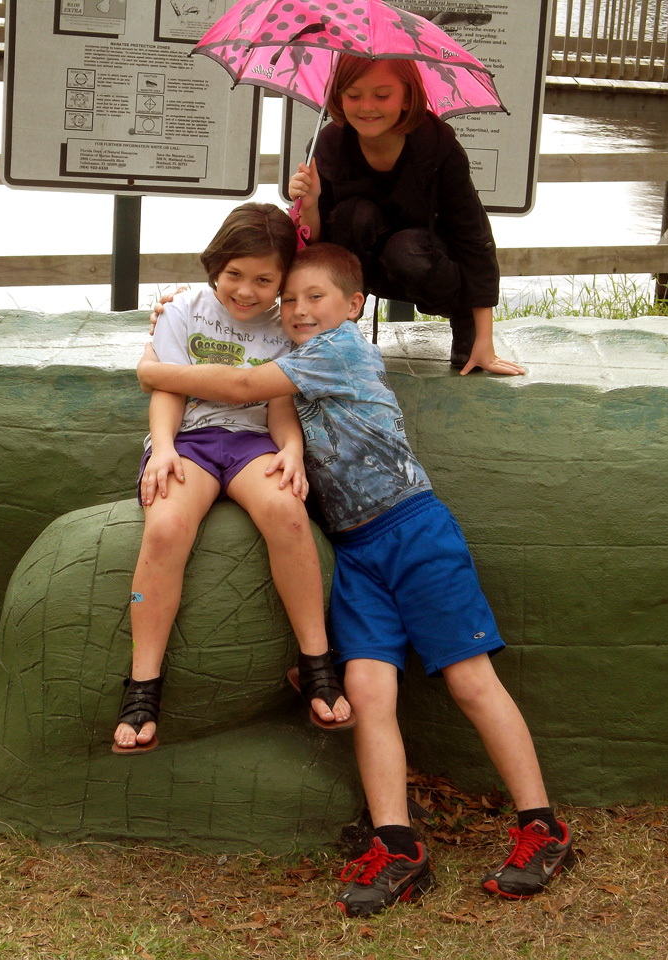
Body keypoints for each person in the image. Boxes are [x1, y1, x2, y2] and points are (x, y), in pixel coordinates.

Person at [135, 243, 569, 915]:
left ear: (353, 306)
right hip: (356, 550)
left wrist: (154, 367)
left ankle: (542, 826)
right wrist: (174, 313)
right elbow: (233, 326)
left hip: (413, 530)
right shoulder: (287, 345)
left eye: (316, 298)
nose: (300, 310)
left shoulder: (340, 350)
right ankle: (398, 845)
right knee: (367, 689)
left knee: (469, 678)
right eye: (292, 300)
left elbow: (247, 386)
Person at [112, 203, 353, 755]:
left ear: (282, 280)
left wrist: (292, 450)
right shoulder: (183, 312)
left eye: (265, 280)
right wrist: (164, 450)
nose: (247, 291)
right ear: (215, 267)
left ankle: (316, 663)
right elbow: (167, 390)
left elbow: (280, 403)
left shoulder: (287, 326)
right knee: (167, 525)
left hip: (253, 443)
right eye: (235, 275)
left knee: (287, 512)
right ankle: (143, 685)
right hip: (191, 442)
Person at [288, 53, 525, 377]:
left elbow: (473, 238)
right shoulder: (327, 147)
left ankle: (463, 321)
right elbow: (320, 248)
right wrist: (311, 205)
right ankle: (340, 329)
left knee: (406, 250)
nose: (367, 106)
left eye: (382, 95)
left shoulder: (439, 148)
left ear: (407, 98)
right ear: (338, 97)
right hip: (362, 266)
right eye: (354, 95)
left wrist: (484, 339)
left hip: (429, 267)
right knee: (353, 216)